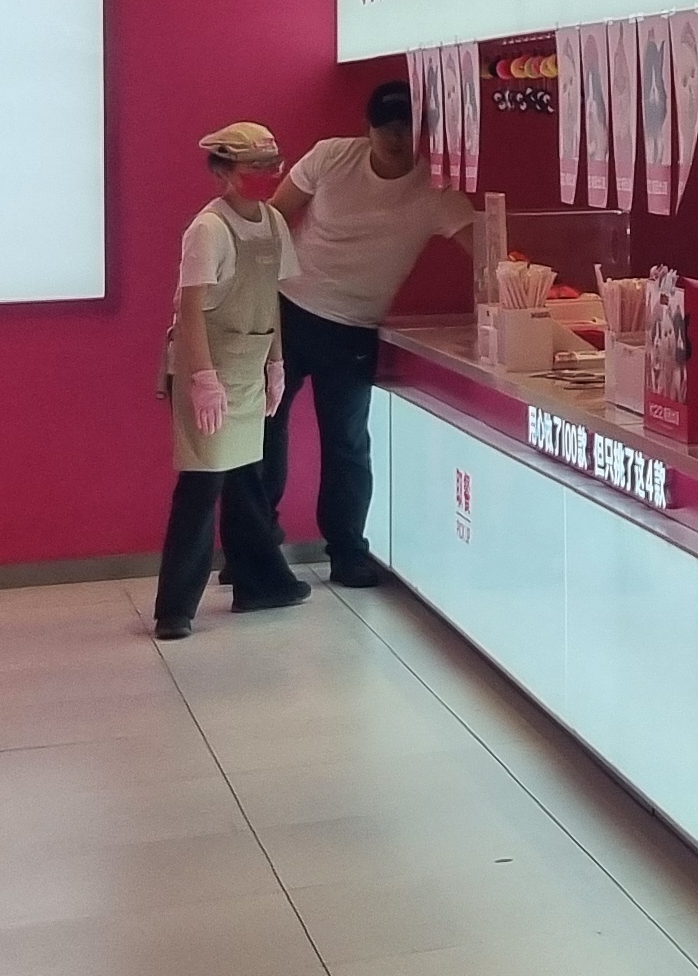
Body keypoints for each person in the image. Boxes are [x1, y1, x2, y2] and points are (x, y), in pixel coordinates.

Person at [264, 77, 478, 586]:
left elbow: (489, 249)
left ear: (420, 130)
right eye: (387, 127)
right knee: (266, 431)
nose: (396, 137)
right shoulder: (331, 157)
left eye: (405, 127)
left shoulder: (436, 190)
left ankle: (347, 553)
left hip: (354, 328)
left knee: (347, 445)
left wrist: (533, 286)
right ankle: (255, 549)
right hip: (289, 309)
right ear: (368, 128)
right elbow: (273, 218)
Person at [157, 120, 306, 641]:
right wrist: (203, 378)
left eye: (272, 165)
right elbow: (191, 310)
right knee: (203, 482)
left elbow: (273, 298)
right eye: (254, 167)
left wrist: (277, 364)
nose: (267, 175)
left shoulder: (273, 223)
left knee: (245, 480)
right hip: (211, 367)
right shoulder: (209, 229)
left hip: (250, 367)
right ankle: (175, 609)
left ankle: (263, 583)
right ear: (222, 172)